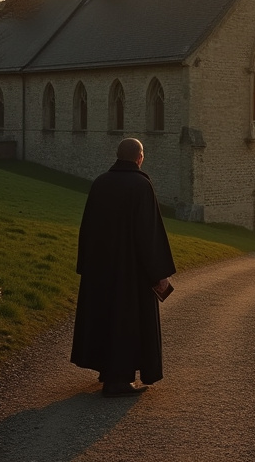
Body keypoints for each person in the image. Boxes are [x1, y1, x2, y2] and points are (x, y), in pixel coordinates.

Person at [70, 138, 176, 397]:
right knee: (126, 321)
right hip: (131, 273)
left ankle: (108, 372)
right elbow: (148, 234)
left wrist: (86, 265)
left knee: (106, 318)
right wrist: (158, 273)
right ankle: (118, 380)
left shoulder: (100, 183)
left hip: (101, 270)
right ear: (139, 158)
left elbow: (88, 228)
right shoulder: (141, 185)